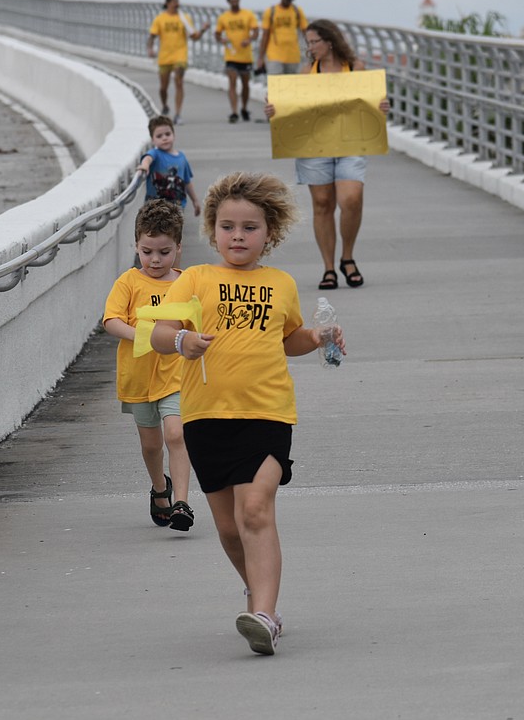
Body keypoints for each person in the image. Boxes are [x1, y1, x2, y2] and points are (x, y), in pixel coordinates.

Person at [149, 172, 346, 656]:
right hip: (205, 417)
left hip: (267, 414)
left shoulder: (279, 284)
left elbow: (289, 339)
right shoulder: (194, 278)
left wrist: (320, 338)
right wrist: (183, 341)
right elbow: (156, 334)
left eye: (250, 228)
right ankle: (258, 597)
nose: (238, 236)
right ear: (212, 230)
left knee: (255, 509)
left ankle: (265, 615)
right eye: (228, 226)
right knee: (229, 528)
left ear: (269, 232)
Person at [264, 19, 390, 290]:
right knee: (322, 204)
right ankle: (329, 268)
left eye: (314, 42)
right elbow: (294, 108)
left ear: (329, 41)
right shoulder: (307, 70)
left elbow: (368, 104)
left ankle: (347, 256)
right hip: (314, 145)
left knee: (351, 199)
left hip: (350, 142)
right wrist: (275, 112)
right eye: (307, 42)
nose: (310, 47)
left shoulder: (355, 67)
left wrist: (380, 106)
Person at [102, 200, 195, 531]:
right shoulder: (129, 282)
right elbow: (111, 321)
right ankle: (160, 488)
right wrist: (143, 334)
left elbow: (198, 324)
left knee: (176, 433)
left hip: (176, 375)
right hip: (139, 378)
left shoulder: (187, 283)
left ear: (179, 248)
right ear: (136, 246)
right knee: (151, 444)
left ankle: (182, 502)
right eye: (147, 251)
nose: (155, 260)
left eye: (164, 252)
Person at [147, 0, 211, 125]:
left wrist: (203, 30)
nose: (176, 4)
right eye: (174, 2)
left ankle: (178, 113)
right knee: (163, 88)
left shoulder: (184, 18)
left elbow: (194, 36)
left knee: (179, 82)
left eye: (177, 2)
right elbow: (152, 36)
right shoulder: (160, 19)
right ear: (167, 3)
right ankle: (165, 105)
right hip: (165, 57)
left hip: (180, 55)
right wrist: (150, 49)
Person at [138, 116, 202, 217]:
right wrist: (145, 166)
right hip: (155, 208)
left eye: (167, 134)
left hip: (177, 208)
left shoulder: (182, 158)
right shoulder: (155, 154)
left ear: (174, 135)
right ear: (153, 140)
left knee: (174, 232)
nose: (164, 138)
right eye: (159, 136)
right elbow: (148, 158)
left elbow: (187, 182)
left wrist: (195, 201)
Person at [214, 0, 260, 123]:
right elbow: (217, 33)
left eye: (236, 0)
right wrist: (221, 39)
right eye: (232, 1)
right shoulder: (224, 17)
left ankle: (244, 108)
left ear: (239, 0)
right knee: (232, 82)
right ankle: (234, 111)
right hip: (231, 55)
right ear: (228, 2)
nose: (234, 3)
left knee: (245, 84)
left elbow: (256, 31)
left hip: (245, 56)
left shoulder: (248, 14)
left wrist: (249, 39)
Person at [256, 0, 308, 76]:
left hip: (292, 55)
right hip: (274, 54)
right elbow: (265, 35)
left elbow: (306, 31)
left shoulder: (297, 11)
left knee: (289, 85)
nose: (288, 1)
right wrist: (261, 57)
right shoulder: (271, 11)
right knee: (275, 82)